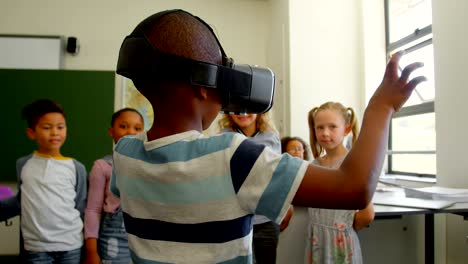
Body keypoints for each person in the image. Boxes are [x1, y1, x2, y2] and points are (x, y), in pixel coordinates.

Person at [110, 9, 425, 264]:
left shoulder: (124, 155)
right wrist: (382, 107)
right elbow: (354, 188)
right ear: (205, 83)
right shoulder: (232, 156)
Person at [0, 99, 87, 263]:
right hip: (36, 246)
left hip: (70, 244)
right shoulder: (23, 164)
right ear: (32, 133)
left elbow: (80, 205)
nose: (55, 132)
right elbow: (22, 200)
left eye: (60, 127)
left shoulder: (76, 167)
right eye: (47, 127)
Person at [305, 102, 375, 264]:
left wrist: (341, 228)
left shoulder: (354, 165)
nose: (325, 133)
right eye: (320, 127)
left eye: (332, 127)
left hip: (341, 243)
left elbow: (367, 215)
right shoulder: (313, 166)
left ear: (346, 130)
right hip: (316, 241)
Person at [218, 113, 292, 263]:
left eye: (249, 109)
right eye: (237, 109)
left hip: (265, 219)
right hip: (235, 219)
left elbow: (276, 176)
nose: (243, 113)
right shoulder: (222, 137)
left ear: (260, 109)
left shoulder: (271, 137)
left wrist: (286, 203)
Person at [84, 108, 144, 264]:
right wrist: (91, 251)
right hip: (113, 241)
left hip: (143, 241)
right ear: (111, 131)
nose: (130, 131)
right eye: (123, 126)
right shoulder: (102, 166)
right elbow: (92, 209)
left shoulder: (149, 165)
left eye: (137, 128)